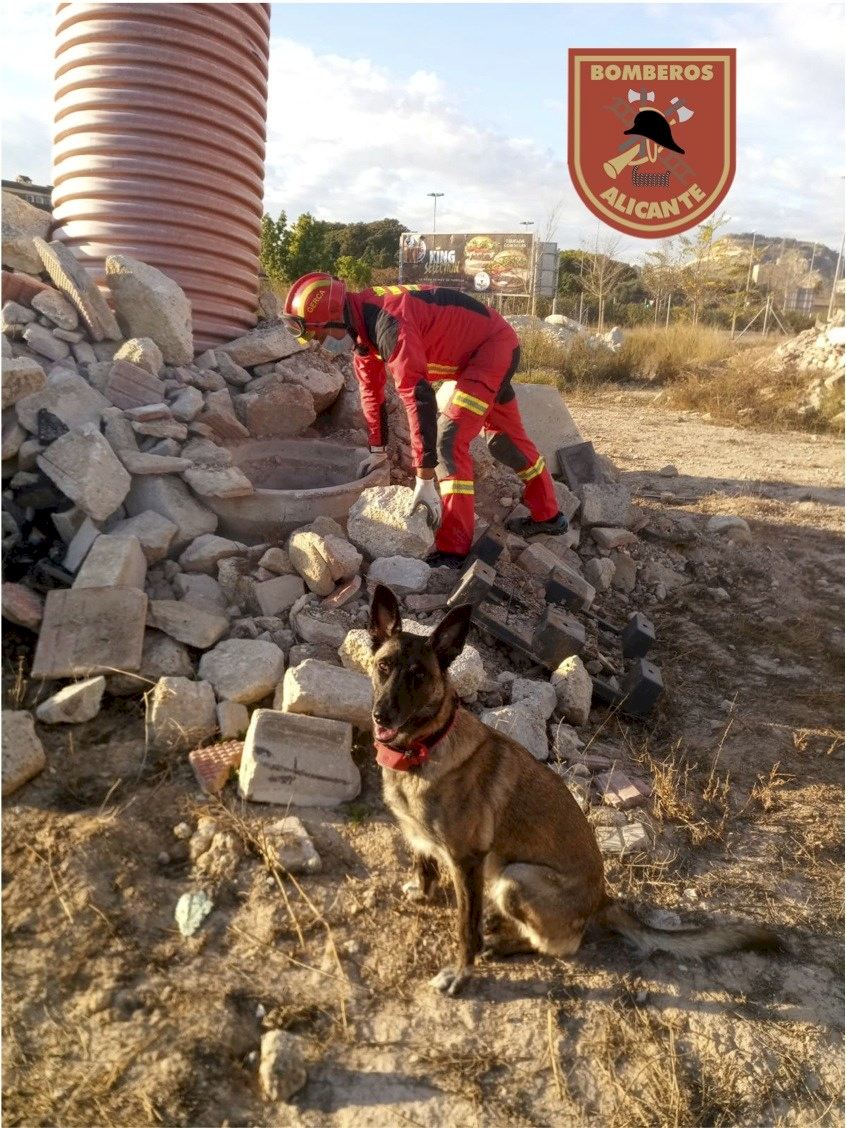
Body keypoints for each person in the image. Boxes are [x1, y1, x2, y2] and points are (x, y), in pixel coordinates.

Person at [282, 272, 568, 566]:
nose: (323, 344)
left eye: (321, 335)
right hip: (479, 353)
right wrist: (377, 450)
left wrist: (425, 477)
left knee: (448, 443)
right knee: (505, 442)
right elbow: (371, 394)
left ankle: (454, 549)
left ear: (334, 318)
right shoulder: (362, 332)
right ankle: (550, 517)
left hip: (493, 348)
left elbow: (418, 397)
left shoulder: (389, 325)